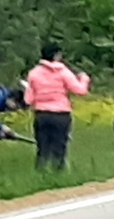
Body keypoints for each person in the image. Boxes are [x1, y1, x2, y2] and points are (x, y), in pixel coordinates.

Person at [24, 43, 91, 171]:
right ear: (56, 55)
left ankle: (40, 173)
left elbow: (28, 99)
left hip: (41, 114)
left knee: (42, 147)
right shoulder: (63, 72)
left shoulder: (33, 73)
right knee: (60, 147)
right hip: (61, 114)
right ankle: (58, 173)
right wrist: (84, 79)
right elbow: (80, 90)